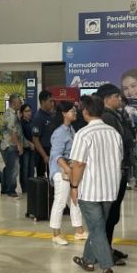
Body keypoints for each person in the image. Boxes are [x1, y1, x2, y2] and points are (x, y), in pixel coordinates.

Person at [69, 95, 123, 273]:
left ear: (85, 112)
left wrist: (74, 187)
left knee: (97, 228)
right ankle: (88, 260)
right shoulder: (114, 133)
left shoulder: (83, 134)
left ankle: (107, 268)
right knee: (97, 226)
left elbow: (78, 165)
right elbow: (120, 159)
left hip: (90, 190)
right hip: (110, 189)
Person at [97, 84, 136, 265]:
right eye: (117, 96)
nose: (120, 99)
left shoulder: (115, 116)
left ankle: (108, 248)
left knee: (113, 215)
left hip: (118, 171)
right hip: (112, 174)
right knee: (109, 214)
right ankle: (104, 253)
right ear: (107, 99)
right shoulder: (106, 118)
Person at [47, 101, 86, 245]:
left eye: (75, 111)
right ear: (64, 114)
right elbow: (56, 155)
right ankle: (56, 233)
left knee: (75, 200)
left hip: (70, 171)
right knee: (61, 201)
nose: (75, 113)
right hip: (61, 172)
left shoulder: (70, 129)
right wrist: (68, 170)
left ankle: (79, 230)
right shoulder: (59, 132)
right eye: (72, 111)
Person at [0, 94, 23, 198]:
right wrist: (18, 145)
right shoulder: (11, 115)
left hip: (6, 145)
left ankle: (5, 188)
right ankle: (11, 189)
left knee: (8, 167)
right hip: (10, 145)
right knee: (14, 168)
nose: (21, 104)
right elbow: (12, 132)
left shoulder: (13, 114)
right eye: (19, 102)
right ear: (14, 103)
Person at [31, 90, 55, 178]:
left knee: (52, 177)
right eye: (50, 101)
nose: (52, 104)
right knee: (41, 179)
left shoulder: (51, 115)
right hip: (43, 152)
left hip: (52, 150)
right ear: (43, 102)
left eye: (53, 101)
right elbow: (35, 139)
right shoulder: (38, 117)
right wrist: (44, 156)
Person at [18, 104, 35, 194]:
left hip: (32, 149)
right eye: (26, 111)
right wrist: (29, 143)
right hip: (24, 149)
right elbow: (21, 136)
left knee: (31, 169)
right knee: (24, 169)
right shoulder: (20, 123)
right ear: (22, 113)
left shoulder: (32, 122)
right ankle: (25, 188)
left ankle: (31, 187)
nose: (29, 113)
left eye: (30, 111)